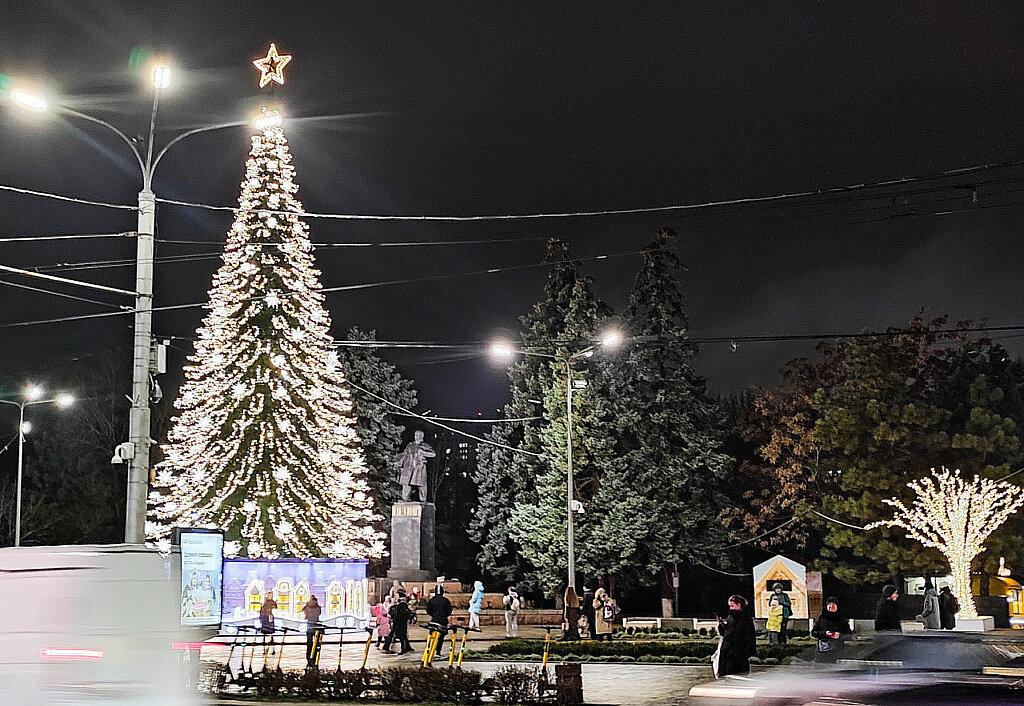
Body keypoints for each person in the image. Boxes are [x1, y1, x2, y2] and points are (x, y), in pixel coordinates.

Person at [716, 595, 756, 677]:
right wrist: (721, 624)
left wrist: (744, 654)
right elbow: (725, 633)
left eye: (732, 605)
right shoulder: (730, 617)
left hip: (739, 655)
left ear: (739, 605)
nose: (731, 608)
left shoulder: (746, 619)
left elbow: (750, 638)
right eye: (730, 606)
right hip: (727, 654)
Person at [811, 597, 850, 662]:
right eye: (829, 604)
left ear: (837, 606)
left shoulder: (842, 619)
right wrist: (825, 633)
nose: (831, 606)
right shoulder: (822, 618)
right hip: (822, 652)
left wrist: (839, 635)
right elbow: (814, 633)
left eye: (833, 604)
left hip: (837, 652)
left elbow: (849, 635)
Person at [426, 586, 453, 655]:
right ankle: (438, 651)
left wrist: (434, 615)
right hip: (443, 620)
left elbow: (428, 610)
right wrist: (444, 615)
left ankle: (430, 650)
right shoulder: (445, 600)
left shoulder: (432, 600)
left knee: (432, 636)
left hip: (434, 620)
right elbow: (449, 610)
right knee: (441, 637)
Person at [301, 594, 322, 667]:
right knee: (316, 642)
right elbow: (319, 614)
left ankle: (309, 656)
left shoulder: (307, 607)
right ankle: (315, 655)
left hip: (309, 625)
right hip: (316, 625)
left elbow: (303, 611)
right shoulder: (318, 607)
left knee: (309, 642)